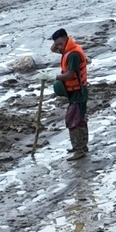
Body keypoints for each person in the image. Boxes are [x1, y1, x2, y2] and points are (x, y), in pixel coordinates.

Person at [50, 28, 90, 156]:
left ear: (67, 39)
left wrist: (53, 77)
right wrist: (58, 44)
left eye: (61, 44)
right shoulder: (67, 49)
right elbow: (53, 49)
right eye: (57, 44)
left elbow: (69, 75)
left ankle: (79, 150)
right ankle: (82, 146)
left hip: (78, 91)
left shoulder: (73, 54)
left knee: (73, 120)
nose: (58, 47)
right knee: (80, 119)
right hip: (76, 91)